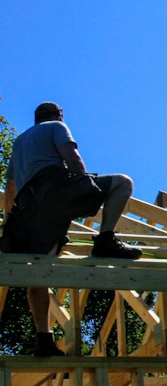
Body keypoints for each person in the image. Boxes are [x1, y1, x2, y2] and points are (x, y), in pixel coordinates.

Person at [1, 101, 141, 357]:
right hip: (55, 192)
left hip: (30, 212)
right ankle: (106, 239)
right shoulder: (57, 126)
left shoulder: (20, 142)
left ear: (35, 119)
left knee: (39, 272)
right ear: (58, 116)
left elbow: (10, 188)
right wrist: (84, 186)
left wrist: (8, 223)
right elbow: (71, 156)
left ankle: (43, 339)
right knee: (123, 183)